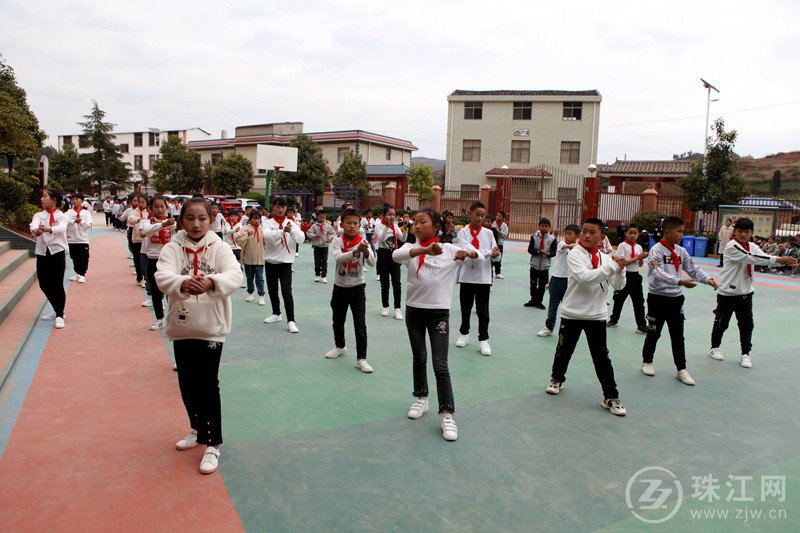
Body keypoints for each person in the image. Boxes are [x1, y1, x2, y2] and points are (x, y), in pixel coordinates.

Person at [155, 197, 240, 475]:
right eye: (190, 218)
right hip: (182, 328)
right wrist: (182, 282)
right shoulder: (172, 247)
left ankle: (212, 443)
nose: (195, 224)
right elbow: (162, 276)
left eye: (201, 218)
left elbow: (234, 275)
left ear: (211, 219)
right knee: (187, 384)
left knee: (207, 384)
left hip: (211, 328)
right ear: (181, 220)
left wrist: (212, 281)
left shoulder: (220, 247)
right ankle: (196, 428)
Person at [392, 208, 481, 441]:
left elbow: (479, 256)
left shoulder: (450, 249)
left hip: (438, 314)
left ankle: (447, 413)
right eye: (415, 223)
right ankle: (421, 398)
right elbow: (395, 256)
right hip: (414, 312)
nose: (417, 226)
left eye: (423, 222)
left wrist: (468, 254)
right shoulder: (410, 249)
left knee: (440, 364)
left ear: (436, 227)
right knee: (419, 357)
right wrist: (424, 249)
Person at [545, 218, 629, 416]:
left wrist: (621, 271)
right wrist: (614, 268)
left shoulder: (606, 259)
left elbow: (617, 286)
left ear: (601, 237)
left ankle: (611, 396)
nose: (586, 235)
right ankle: (557, 378)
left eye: (592, 232)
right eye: (584, 231)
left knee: (601, 357)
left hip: (596, 315)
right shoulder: (574, 254)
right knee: (563, 350)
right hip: (572, 313)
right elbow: (585, 277)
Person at [709, 218, 797, 368]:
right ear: (735, 232)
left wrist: (782, 262)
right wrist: (780, 259)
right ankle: (715, 347)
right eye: (740, 231)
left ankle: (745, 354)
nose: (743, 234)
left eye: (747, 232)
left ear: (751, 233)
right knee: (721, 322)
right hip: (727, 293)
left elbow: (762, 257)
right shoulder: (732, 246)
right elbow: (754, 259)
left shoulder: (752, 246)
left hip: (746, 293)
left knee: (747, 325)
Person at [641, 216, 718, 385]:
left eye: (683, 232)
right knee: (654, 332)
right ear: (667, 231)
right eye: (679, 231)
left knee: (677, 335)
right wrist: (679, 281)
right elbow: (657, 272)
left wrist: (708, 279)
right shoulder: (656, 250)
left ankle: (681, 369)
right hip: (657, 298)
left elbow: (692, 268)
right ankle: (647, 361)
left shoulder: (681, 251)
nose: (681, 235)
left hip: (676, 300)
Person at [326, 208, 376, 372]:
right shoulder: (337, 241)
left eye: (355, 223)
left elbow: (372, 263)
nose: (352, 226)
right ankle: (340, 346)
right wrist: (355, 251)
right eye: (349, 223)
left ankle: (361, 358)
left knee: (360, 324)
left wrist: (366, 251)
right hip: (340, 287)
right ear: (342, 224)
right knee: (338, 320)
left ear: (359, 224)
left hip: (358, 288)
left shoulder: (363, 241)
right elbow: (338, 258)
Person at [455, 201, 499, 356]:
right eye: (477, 215)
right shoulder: (462, 233)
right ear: (470, 213)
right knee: (465, 308)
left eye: (483, 216)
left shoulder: (489, 233)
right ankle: (464, 334)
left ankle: (484, 339)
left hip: (483, 277)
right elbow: (467, 250)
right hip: (466, 276)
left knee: (483, 311)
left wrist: (491, 253)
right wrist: (486, 253)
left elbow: (494, 252)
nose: (480, 218)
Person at [262, 196, 305, 333]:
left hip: (286, 263)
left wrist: (291, 230)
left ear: (286, 208)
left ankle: (291, 320)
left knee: (287, 292)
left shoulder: (292, 223)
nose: (280, 209)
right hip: (270, 262)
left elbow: (301, 239)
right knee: (272, 290)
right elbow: (268, 237)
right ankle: (276, 313)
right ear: (273, 207)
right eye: (277, 207)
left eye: (282, 207)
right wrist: (282, 231)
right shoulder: (268, 223)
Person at [30, 189, 69, 329]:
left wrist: (48, 229)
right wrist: (37, 230)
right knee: (43, 284)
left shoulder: (62, 216)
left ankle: (59, 315)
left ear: (54, 200)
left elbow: (61, 228)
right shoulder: (39, 215)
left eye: (45, 196)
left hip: (57, 252)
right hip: (42, 253)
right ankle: (58, 308)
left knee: (57, 284)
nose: (42, 198)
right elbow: (33, 226)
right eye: (42, 196)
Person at [140, 195, 176, 330]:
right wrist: (161, 224)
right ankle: (159, 319)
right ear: (150, 208)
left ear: (166, 208)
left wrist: (168, 224)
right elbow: (147, 232)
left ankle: (173, 318)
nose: (160, 209)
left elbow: (178, 229)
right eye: (156, 207)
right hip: (153, 260)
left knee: (171, 291)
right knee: (155, 291)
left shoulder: (171, 222)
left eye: (162, 206)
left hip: (169, 261)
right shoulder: (146, 222)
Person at [537, 224, 580, 337]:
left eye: (570, 234)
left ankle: (566, 329)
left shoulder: (579, 249)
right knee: (552, 306)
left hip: (569, 281)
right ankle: (549, 327)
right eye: (565, 234)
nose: (567, 236)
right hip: (556, 279)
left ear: (577, 236)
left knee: (567, 308)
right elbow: (569, 246)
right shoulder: (562, 244)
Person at [608, 224, 649, 334]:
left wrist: (642, 257)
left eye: (635, 233)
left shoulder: (638, 247)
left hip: (636, 276)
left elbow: (640, 264)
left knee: (639, 301)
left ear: (638, 234)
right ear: (626, 233)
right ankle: (614, 319)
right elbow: (623, 262)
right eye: (630, 233)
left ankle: (641, 325)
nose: (632, 235)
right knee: (619, 298)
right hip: (625, 275)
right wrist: (637, 257)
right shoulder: (622, 246)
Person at [374, 204, 404, 320]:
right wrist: (387, 226)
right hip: (383, 253)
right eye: (389, 215)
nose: (392, 217)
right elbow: (380, 239)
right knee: (384, 282)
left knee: (396, 282)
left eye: (393, 215)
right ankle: (385, 306)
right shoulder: (378, 225)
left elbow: (402, 238)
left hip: (394, 254)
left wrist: (405, 229)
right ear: (383, 215)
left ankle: (397, 308)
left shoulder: (395, 226)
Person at [234, 210, 267, 305]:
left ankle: (261, 295)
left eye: (258, 218)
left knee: (260, 278)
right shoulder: (245, 228)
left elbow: (268, 241)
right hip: (248, 257)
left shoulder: (263, 229)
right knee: (249, 277)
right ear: (250, 219)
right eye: (254, 218)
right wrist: (246, 234)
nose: (257, 221)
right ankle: (250, 293)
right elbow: (237, 238)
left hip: (260, 258)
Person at [525, 218, 557, 309]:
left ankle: (539, 301)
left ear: (549, 228)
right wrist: (538, 252)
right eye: (542, 226)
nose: (544, 228)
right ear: (539, 227)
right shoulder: (534, 237)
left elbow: (554, 252)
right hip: (534, 265)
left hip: (545, 266)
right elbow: (530, 249)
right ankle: (533, 300)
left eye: (546, 226)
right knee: (533, 283)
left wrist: (549, 254)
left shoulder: (552, 239)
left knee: (542, 285)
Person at [66, 192, 92, 283]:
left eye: (77, 199)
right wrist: (73, 221)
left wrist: (80, 222)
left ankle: (82, 274)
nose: (75, 201)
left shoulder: (86, 213)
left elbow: (89, 225)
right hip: (72, 239)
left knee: (84, 257)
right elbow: (66, 223)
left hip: (83, 239)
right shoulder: (69, 212)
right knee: (74, 257)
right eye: (73, 199)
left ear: (82, 201)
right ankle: (77, 273)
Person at [307, 210, 336, 283]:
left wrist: (330, 238)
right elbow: (308, 233)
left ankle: (324, 276)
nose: (322, 219)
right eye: (320, 217)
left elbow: (333, 233)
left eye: (323, 217)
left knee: (324, 261)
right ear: (317, 217)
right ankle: (317, 275)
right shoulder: (314, 226)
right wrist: (315, 235)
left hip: (325, 246)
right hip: (317, 246)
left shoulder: (327, 226)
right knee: (317, 261)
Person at [491, 211, 509, 279]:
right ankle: (490, 272)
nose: (497, 217)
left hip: (500, 244)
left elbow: (505, 235)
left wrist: (499, 232)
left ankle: (498, 273)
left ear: (503, 218)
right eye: (497, 215)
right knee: (491, 258)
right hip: (493, 244)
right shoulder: (493, 224)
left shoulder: (504, 226)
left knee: (498, 258)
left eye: (499, 216)